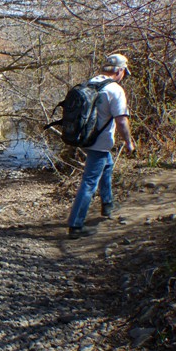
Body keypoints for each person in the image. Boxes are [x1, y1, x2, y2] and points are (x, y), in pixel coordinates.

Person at [67, 53, 135, 239]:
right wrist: (129, 142)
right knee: (89, 182)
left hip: (85, 137)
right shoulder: (115, 90)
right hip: (100, 142)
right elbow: (121, 121)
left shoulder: (91, 82)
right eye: (124, 72)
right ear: (120, 71)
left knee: (107, 165)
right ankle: (76, 225)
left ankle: (107, 204)